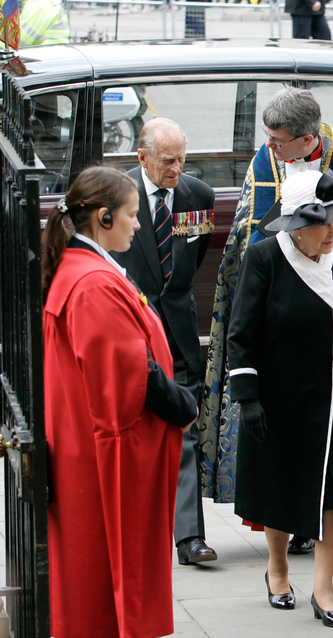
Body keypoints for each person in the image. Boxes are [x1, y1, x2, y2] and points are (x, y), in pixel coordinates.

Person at [200, 87, 333, 560]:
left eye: (278, 140)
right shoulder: (264, 163)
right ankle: (291, 519)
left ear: (306, 137)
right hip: (285, 313)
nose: (270, 147)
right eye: (269, 139)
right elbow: (248, 235)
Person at [43, 166, 197, 638]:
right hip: (98, 454)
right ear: (102, 217)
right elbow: (125, 373)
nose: (137, 225)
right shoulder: (92, 282)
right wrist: (179, 403)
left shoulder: (83, 270)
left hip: (86, 446)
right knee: (94, 580)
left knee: (91, 579)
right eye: (131, 215)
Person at [226, 169, 333, 627]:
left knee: (331, 491)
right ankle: (278, 568)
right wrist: (247, 396)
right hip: (279, 395)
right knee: (282, 484)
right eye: (322, 222)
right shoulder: (265, 257)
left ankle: (324, 589)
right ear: (294, 224)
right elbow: (241, 333)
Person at [111, 118, 218, 567]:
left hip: (177, 329)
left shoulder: (198, 196)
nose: (177, 169)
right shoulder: (117, 196)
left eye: (182, 159)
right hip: (131, 328)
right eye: (167, 161)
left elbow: (194, 257)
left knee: (185, 424)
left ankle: (189, 536)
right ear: (142, 158)